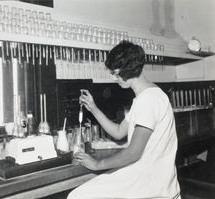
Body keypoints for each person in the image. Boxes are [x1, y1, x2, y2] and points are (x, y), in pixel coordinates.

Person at [67, 41, 181, 199]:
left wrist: (97, 164)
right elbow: (119, 132)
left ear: (129, 70)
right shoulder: (146, 97)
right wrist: (93, 108)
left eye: (116, 73)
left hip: (151, 185)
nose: (114, 78)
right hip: (152, 180)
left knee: (78, 196)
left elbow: (133, 153)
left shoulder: (149, 100)